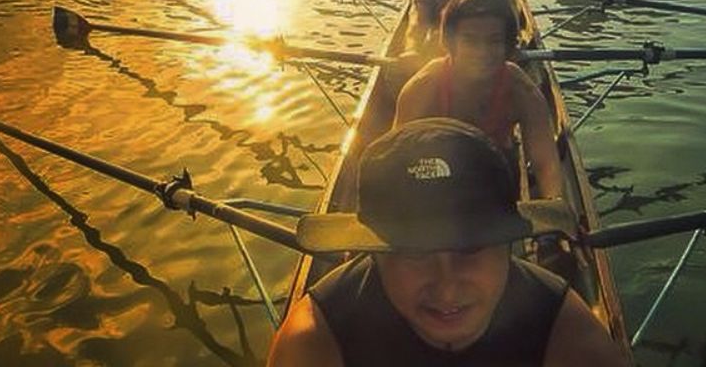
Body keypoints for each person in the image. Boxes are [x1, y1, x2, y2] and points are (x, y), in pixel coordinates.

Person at [267, 119, 628, 367]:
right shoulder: (315, 338)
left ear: (509, 245)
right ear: (375, 254)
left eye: (469, 248)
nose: (447, 284)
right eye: (414, 252)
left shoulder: (567, 333)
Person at [395, 0, 562, 199]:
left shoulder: (521, 89)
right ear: (449, 42)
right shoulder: (423, 86)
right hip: (437, 180)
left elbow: (546, 164)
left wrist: (557, 209)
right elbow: (398, 161)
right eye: (470, 40)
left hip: (496, 184)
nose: (482, 52)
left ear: (508, 46)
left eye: (494, 41)